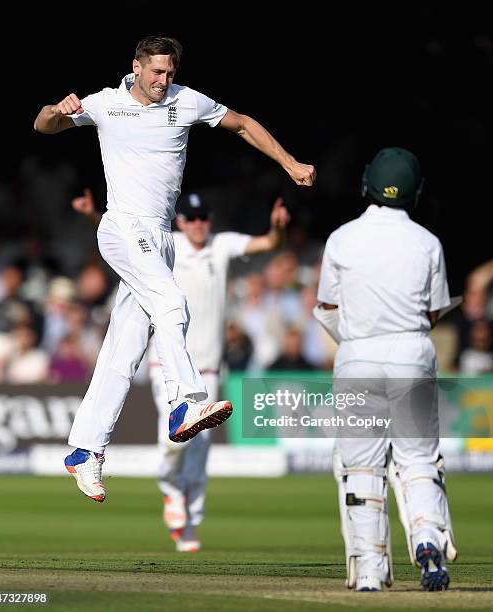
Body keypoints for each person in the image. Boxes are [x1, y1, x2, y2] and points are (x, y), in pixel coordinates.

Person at [34, 34, 315, 504]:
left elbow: (242, 124)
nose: (163, 81)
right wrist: (55, 110)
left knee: (124, 349)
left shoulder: (187, 101)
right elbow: (43, 126)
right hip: (124, 226)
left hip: (162, 237)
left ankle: (84, 449)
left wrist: (288, 162)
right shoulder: (104, 103)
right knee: (172, 302)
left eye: (169, 73)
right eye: (156, 72)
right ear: (136, 67)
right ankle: (185, 402)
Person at [71, 187, 290, 551]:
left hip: (210, 366)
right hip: (167, 365)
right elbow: (125, 239)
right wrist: (95, 217)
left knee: (201, 449)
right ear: (180, 221)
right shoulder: (165, 242)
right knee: (170, 439)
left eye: (204, 218)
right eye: (192, 219)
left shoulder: (221, 246)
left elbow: (268, 243)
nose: (199, 225)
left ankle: (190, 522)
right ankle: (172, 492)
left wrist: (278, 229)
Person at [316, 148, 457, 592]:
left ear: (367, 184)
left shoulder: (341, 238)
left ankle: (372, 572)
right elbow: (434, 311)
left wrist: (359, 336)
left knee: (361, 469)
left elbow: (327, 307)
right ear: (415, 191)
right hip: (412, 354)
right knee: (417, 459)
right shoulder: (427, 242)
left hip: (357, 357)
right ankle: (428, 538)